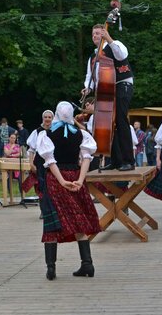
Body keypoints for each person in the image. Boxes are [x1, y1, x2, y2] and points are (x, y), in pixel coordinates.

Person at [36, 101, 101, 280]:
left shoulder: (47, 134)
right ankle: (87, 264)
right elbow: (87, 158)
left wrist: (62, 181)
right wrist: (80, 179)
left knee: (53, 221)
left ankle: (51, 267)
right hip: (75, 175)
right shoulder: (81, 134)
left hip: (57, 179)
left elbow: (50, 161)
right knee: (78, 217)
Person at [81, 24, 135, 171]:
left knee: (121, 120)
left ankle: (129, 160)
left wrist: (109, 39)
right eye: (93, 34)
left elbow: (122, 56)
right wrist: (88, 87)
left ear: (104, 33)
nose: (95, 36)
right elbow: (90, 76)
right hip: (106, 90)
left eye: (98, 33)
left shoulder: (115, 44)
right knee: (110, 125)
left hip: (122, 84)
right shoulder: (93, 56)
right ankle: (116, 160)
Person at [24, 110, 54, 217]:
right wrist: (31, 164)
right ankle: (44, 210)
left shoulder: (56, 130)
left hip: (53, 162)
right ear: (43, 118)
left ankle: (55, 210)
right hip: (40, 162)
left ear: (52, 118)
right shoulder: (36, 132)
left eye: (49, 117)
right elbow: (31, 149)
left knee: (53, 186)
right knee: (42, 186)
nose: (47, 119)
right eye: (45, 117)